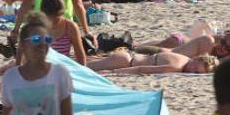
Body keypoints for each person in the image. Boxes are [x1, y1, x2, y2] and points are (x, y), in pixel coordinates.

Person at [88, 51, 218, 75]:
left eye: (196, 73)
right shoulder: (176, 67)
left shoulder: (184, 58)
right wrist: (113, 73)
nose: (192, 71)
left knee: (83, 63)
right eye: (195, 67)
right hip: (126, 62)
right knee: (83, 66)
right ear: (197, 59)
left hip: (128, 57)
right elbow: (142, 69)